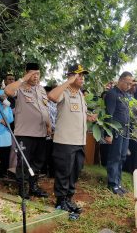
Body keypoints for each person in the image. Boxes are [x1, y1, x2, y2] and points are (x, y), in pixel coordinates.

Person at [48, 64, 96, 216]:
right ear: (70, 76)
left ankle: (68, 198)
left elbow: (78, 114)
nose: (82, 78)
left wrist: (89, 117)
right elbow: (52, 96)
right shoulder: (65, 91)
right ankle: (60, 201)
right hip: (65, 141)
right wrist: (68, 81)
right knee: (64, 172)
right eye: (78, 75)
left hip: (79, 141)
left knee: (75, 172)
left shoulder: (81, 94)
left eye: (83, 75)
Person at [4, 62, 51, 199]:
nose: (35, 76)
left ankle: (33, 186)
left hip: (41, 132)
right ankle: (23, 188)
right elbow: (8, 91)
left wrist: (48, 125)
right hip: (25, 133)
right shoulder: (20, 87)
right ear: (26, 73)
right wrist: (23, 79)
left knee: (38, 161)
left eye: (38, 73)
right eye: (32, 73)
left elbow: (44, 109)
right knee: (24, 162)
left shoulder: (41, 89)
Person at [104, 71, 134, 196]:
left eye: (130, 84)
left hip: (125, 131)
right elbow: (109, 114)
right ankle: (112, 184)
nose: (129, 86)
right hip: (116, 131)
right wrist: (108, 133)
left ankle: (118, 183)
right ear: (120, 80)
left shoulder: (126, 95)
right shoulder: (112, 94)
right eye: (127, 83)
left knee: (122, 157)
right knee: (115, 157)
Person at [0, 89, 14, 178]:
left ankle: (3, 175)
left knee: (5, 155)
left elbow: (10, 119)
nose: (4, 98)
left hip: (6, 135)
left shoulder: (7, 106)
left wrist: (5, 108)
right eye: (2, 96)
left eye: (5, 97)